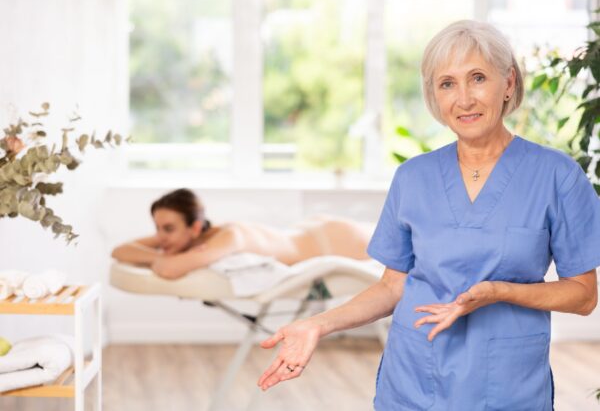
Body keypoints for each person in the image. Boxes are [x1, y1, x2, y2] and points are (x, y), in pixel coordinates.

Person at [256, 20, 600, 410]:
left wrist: (499, 291)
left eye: (477, 78)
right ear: (434, 96)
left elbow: (584, 296)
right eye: (447, 84)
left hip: (506, 384)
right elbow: (391, 287)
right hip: (415, 378)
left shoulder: (556, 175)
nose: (464, 99)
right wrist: (319, 323)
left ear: (508, 84)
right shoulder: (413, 177)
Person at [110, 188, 374, 279]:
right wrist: (159, 248)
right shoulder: (195, 235)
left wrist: (154, 256)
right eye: (157, 229)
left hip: (335, 241)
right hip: (312, 230)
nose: (160, 237)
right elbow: (119, 250)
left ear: (195, 227)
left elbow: (169, 269)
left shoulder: (227, 237)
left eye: (168, 229)